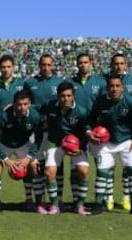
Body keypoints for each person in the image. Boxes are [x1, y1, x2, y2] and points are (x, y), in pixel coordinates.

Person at [88, 74, 132, 215]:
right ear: (107, 88)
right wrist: (90, 132)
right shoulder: (100, 101)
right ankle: (98, 206)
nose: (114, 89)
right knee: (102, 172)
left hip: (126, 141)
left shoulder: (131, 101)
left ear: (122, 88)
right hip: (106, 142)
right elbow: (91, 119)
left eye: (117, 86)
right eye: (111, 86)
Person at [0, 55, 34, 211]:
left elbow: (29, 105)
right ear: (0, 68)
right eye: (3, 67)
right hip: (2, 136)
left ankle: (29, 200)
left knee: (30, 167)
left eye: (8, 66)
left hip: (22, 137)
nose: (6, 69)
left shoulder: (22, 84)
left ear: (14, 67)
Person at [0, 90, 43, 215]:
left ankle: (36, 202)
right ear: (13, 104)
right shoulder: (3, 116)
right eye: (19, 104)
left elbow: (39, 137)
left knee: (34, 167)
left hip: (23, 144)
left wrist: (28, 157)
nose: (22, 107)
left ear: (29, 103)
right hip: (4, 144)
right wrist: (6, 160)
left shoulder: (34, 116)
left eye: (25, 104)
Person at [42, 81, 91, 215]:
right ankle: (55, 205)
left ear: (73, 96)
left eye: (69, 95)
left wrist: (80, 148)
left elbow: (85, 131)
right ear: (58, 97)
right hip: (55, 143)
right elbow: (36, 110)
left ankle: (79, 205)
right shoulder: (50, 106)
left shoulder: (81, 111)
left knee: (84, 171)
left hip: (75, 145)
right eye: (63, 96)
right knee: (49, 172)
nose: (66, 99)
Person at [24, 54, 63, 213]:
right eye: (43, 65)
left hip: (55, 131)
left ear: (53, 66)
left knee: (56, 167)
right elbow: (26, 105)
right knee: (36, 167)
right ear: (39, 65)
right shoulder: (30, 83)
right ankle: (40, 201)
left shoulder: (59, 83)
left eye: (49, 65)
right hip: (37, 131)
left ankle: (58, 200)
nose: (46, 68)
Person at [68, 53, 107, 207]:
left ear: (91, 63)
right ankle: (76, 198)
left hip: (97, 129)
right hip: (77, 129)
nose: (83, 65)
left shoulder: (100, 82)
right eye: (80, 62)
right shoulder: (70, 82)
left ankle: (102, 199)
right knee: (75, 166)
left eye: (86, 62)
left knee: (101, 164)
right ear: (77, 64)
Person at [102, 53, 132, 212]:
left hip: (128, 133)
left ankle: (126, 197)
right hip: (108, 132)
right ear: (111, 64)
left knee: (128, 168)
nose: (119, 66)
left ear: (126, 65)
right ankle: (108, 198)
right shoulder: (104, 80)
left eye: (122, 63)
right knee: (109, 167)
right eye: (116, 63)